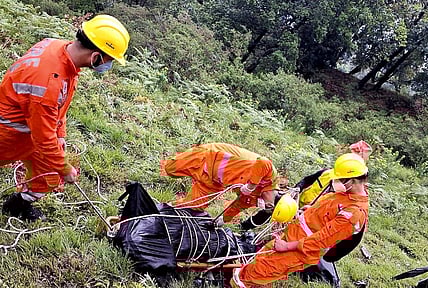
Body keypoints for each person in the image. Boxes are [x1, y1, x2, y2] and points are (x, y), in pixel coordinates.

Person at [0, 15, 130, 221]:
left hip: (31, 128)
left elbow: (58, 107)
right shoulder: (48, 82)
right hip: (10, 134)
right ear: (95, 56)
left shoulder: (57, 49)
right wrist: (65, 168)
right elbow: (43, 136)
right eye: (109, 60)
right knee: (55, 167)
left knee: (49, 175)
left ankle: (17, 205)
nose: (108, 65)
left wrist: (60, 134)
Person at [231, 153, 369, 287]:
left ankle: (240, 283)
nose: (336, 182)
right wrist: (310, 210)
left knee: (261, 272)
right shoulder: (345, 193)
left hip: (299, 249)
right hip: (292, 234)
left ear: (353, 180)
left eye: (340, 179)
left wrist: (287, 246)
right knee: (260, 260)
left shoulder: (354, 213)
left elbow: (322, 239)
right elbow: (327, 208)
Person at [240, 140, 371, 231]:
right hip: (296, 203)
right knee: (271, 207)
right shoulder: (327, 172)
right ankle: (246, 226)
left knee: (286, 233)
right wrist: (297, 188)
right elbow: (307, 180)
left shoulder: (349, 191)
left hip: (310, 215)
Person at [160, 143, 279, 223]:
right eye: (269, 206)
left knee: (193, 207)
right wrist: (251, 185)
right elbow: (264, 162)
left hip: (213, 182)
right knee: (170, 169)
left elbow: (238, 205)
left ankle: (165, 210)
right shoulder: (270, 176)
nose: (265, 206)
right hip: (209, 157)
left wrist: (224, 219)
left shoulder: (256, 199)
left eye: (268, 210)